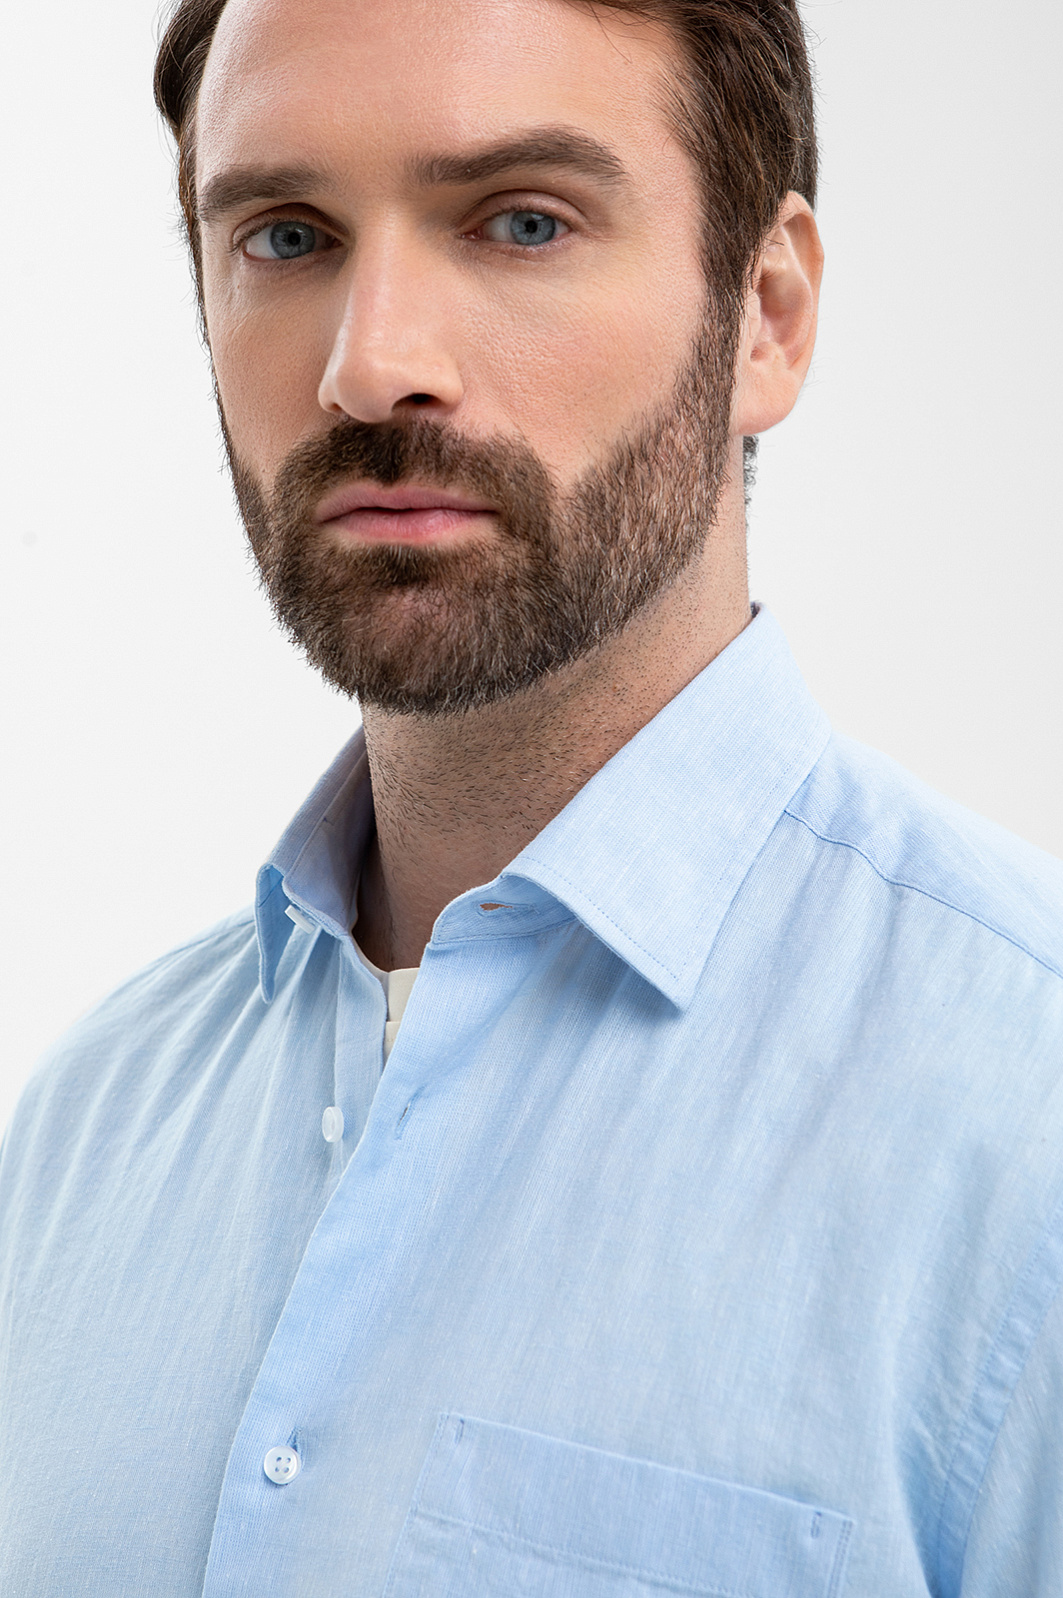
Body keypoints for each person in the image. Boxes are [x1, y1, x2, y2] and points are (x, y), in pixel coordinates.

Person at [1, 0, 1061, 1591]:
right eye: (286, 235)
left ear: (766, 315)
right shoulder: (80, 1136)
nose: (372, 365)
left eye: (521, 222)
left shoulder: (1029, 1119)